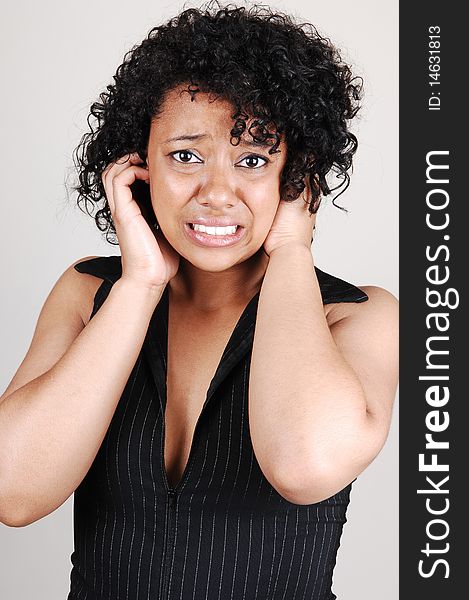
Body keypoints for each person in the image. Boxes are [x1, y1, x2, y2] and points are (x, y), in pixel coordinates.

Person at [0, 2, 398, 599]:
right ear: (139, 163)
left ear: (297, 173)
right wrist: (139, 284)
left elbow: (303, 466)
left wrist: (292, 247)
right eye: (186, 155)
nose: (216, 192)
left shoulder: (357, 318)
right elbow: (13, 492)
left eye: (254, 160)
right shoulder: (89, 295)